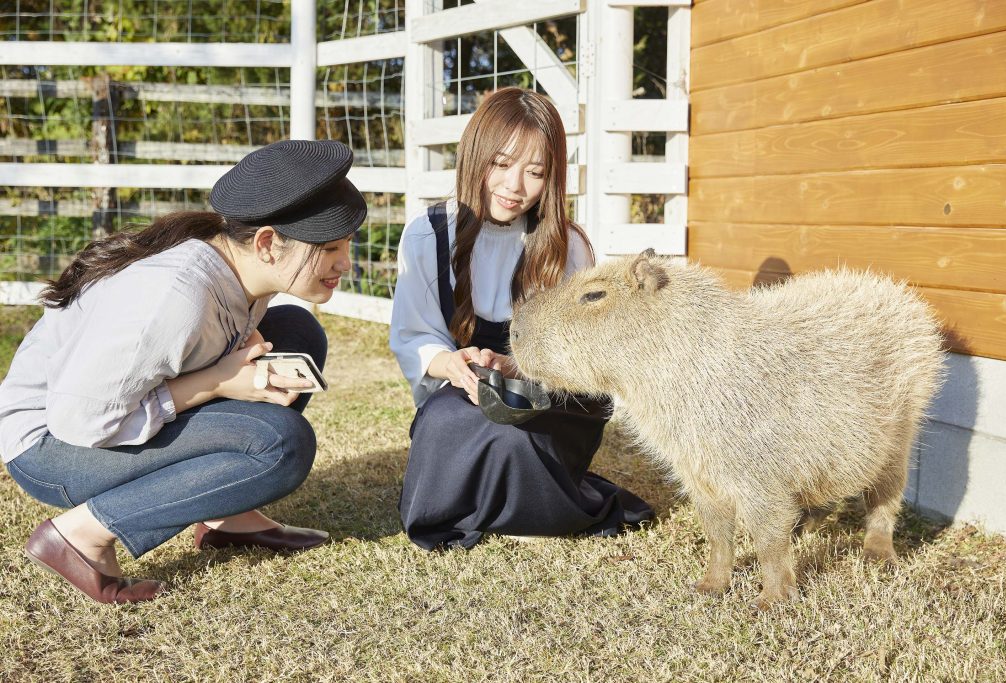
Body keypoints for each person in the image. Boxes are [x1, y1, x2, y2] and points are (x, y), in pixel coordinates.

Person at [0, 139, 367, 603]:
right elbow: (82, 421)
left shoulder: (243, 269)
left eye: (347, 244)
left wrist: (237, 348)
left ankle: (228, 518)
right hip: (51, 447)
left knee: (297, 334)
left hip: (91, 421)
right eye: (331, 247)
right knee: (280, 443)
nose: (345, 263)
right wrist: (217, 382)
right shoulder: (173, 297)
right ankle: (81, 535)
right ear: (268, 243)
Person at [390, 87, 654, 550]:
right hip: (461, 391)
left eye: (535, 172)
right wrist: (451, 364)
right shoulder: (427, 235)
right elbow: (414, 335)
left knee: (516, 431)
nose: (515, 186)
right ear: (475, 155)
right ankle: (522, 505)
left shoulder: (567, 245)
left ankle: (510, 504)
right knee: (450, 419)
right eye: (501, 164)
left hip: (546, 395)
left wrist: (517, 366)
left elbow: (580, 357)